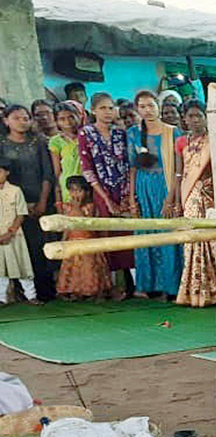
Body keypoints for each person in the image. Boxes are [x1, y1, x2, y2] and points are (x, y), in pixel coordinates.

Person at [78, 93, 135, 296]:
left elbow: (129, 164)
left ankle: (134, 286)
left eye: (111, 108)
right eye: (103, 108)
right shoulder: (86, 133)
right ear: (93, 110)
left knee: (128, 236)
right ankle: (113, 285)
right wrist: (106, 199)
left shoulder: (121, 133)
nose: (108, 112)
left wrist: (128, 196)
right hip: (102, 192)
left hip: (124, 191)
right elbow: (88, 169)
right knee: (107, 236)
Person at [128, 90, 181, 300]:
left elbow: (178, 170)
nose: (147, 110)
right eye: (142, 107)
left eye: (151, 105)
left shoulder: (172, 132)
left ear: (159, 106)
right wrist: (132, 198)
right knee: (145, 233)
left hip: (166, 186)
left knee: (168, 234)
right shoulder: (133, 133)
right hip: (143, 187)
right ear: (137, 109)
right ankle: (148, 285)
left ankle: (171, 287)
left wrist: (172, 198)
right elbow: (132, 167)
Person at [1, 105, 56, 299]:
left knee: (42, 245)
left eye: (25, 118)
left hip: (40, 201)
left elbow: (47, 173)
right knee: (17, 247)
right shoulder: (2, 144)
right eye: (16, 118)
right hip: (10, 206)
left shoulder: (38, 141)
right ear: (6, 121)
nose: (22, 122)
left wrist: (42, 201)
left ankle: (45, 291)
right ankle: (19, 291)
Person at [175, 100, 216, 308]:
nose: (195, 120)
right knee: (193, 240)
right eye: (191, 116)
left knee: (213, 239)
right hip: (189, 194)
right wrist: (175, 200)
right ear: (184, 119)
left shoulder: (214, 139)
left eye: (199, 115)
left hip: (211, 193)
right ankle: (195, 291)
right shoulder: (181, 141)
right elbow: (179, 173)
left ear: (206, 117)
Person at [55, 175, 111, 301]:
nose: (75, 194)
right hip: (72, 242)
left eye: (79, 190)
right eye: (72, 191)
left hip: (88, 242)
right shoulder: (67, 207)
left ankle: (92, 291)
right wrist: (64, 239)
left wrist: (76, 207)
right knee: (74, 268)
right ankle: (75, 291)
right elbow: (67, 225)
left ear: (87, 192)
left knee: (89, 267)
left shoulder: (90, 207)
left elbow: (85, 223)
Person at [0, 159, 39, 305]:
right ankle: (2, 298)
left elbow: (21, 214)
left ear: (7, 172)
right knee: (0, 268)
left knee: (22, 265)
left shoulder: (15, 191)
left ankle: (31, 296)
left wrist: (10, 233)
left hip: (14, 235)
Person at [48, 103, 83, 212]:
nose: (68, 122)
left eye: (71, 117)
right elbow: (57, 172)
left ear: (79, 116)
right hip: (68, 186)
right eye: (62, 119)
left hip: (88, 183)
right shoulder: (56, 141)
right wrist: (58, 199)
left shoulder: (87, 136)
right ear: (56, 122)